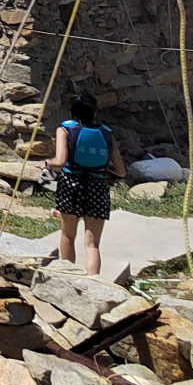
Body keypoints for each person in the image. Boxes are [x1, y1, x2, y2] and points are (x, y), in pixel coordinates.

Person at [49, 91, 127, 274]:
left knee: (68, 235)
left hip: (70, 185)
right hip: (98, 187)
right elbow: (121, 171)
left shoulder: (65, 130)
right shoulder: (107, 134)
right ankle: (93, 283)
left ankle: (67, 276)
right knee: (92, 244)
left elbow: (60, 162)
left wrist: (46, 163)